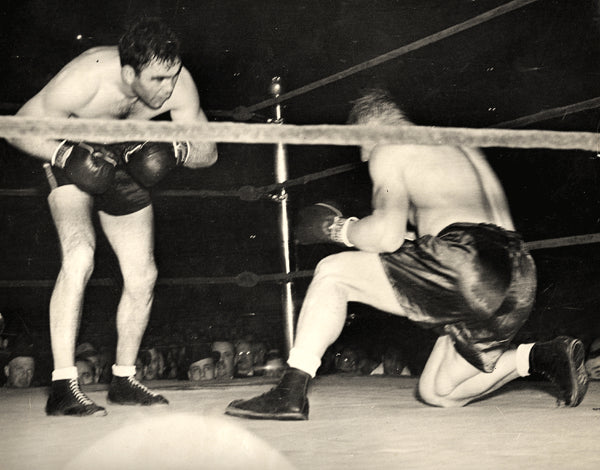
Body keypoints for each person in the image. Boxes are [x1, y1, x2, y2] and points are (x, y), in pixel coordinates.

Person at [225, 89, 589, 420]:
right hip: (517, 273)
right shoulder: (454, 146)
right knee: (438, 390)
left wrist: (339, 229)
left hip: (467, 262)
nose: (365, 157)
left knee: (332, 272)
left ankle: (290, 391)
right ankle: (542, 355)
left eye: (360, 148)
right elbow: (428, 237)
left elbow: (386, 235)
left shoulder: (390, 145)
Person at [7, 18, 218, 416]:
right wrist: (63, 154)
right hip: (71, 153)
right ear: (128, 73)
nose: (168, 88)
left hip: (129, 158)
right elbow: (17, 128)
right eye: (157, 79)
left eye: (172, 76)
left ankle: (124, 379)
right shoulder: (83, 80)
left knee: (144, 275)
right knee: (80, 255)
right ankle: (63, 384)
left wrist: (179, 151)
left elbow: (210, 151)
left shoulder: (180, 85)